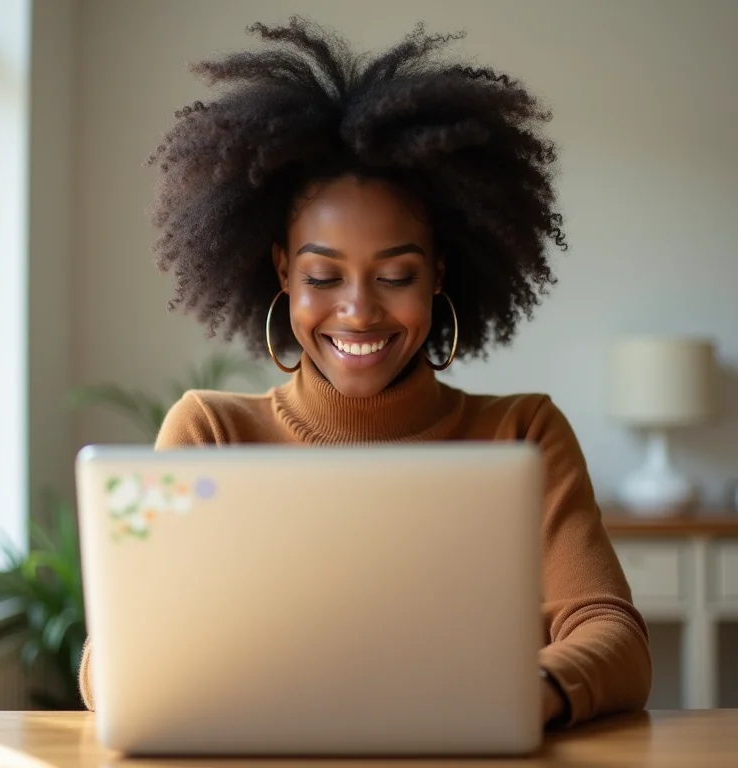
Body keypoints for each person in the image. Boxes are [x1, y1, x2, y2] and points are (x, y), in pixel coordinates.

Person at [78, 17, 652, 727]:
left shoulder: (523, 432)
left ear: (438, 274)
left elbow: (614, 636)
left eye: (396, 275)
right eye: (323, 277)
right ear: (283, 273)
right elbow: (115, 661)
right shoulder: (211, 434)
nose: (358, 312)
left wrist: (516, 695)